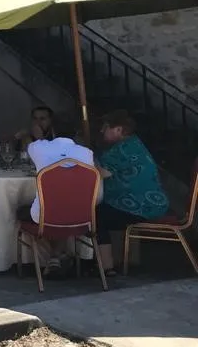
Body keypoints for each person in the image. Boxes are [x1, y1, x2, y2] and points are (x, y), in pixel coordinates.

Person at [94, 110, 168, 275]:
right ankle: (109, 263)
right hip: (153, 203)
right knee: (102, 212)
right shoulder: (134, 144)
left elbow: (101, 173)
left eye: (105, 127)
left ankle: (106, 267)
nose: (101, 131)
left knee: (95, 216)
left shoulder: (121, 149)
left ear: (118, 130)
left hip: (138, 205)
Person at [20, 125, 100, 276]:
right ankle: (57, 255)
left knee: (21, 209)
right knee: (64, 208)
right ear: (76, 133)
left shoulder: (39, 147)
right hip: (82, 218)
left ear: (53, 131)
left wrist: (35, 135)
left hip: (46, 219)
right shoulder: (87, 153)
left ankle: (41, 259)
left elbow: (29, 146)